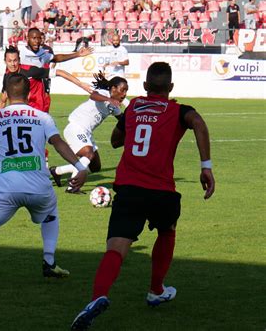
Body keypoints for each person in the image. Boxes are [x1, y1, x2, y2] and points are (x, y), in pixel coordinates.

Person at [70, 62, 215, 330]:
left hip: (128, 188)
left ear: (146, 86)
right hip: (161, 190)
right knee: (167, 230)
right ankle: (156, 289)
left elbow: (115, 141)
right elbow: (199, 124)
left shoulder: (134, 106)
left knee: (116, 247)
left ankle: (98, 296)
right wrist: (206, 167)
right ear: (170, 88)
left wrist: (136, 121)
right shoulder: (179, 110)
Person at [0, 74, 89, 296]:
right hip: (40, 189)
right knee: (50, 212)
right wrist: (81, 167)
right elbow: (58, 143)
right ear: (30, 93)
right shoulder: (43, 118)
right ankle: (49, 263)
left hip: (5, 190)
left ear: (4, 93)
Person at [50, 73, 127, 192]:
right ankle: (73, 187)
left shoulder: (115, 107)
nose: (124, 94)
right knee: (88, 153)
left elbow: (123, 120)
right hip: (75, 127)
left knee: (95, 167)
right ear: (113, 89)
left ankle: (57, 171)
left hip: (87, 132)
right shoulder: (104, 93)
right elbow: (93, 96)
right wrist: (109, 99)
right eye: (122, 90)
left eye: (126, 91)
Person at [20, 28, 93, 113]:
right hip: (22, 93)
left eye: (39, 38)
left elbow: (56, 58)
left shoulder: (42, 53)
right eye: (34, 38)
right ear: (27, 38)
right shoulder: (21, 53)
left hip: (38, 92)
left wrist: (77, 54)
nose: (37, 41)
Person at [0, 46, 93, 110]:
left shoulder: (31, 71)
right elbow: (2, 100)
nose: (13, 64)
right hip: (21, 110)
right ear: (5, 61)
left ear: (19, 60)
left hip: (38, 109)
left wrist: (81, 84)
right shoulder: (7, 75)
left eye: (15, 60)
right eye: (10, 61)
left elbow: (59, 72)